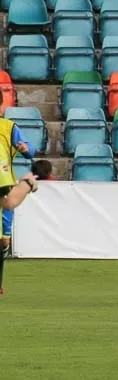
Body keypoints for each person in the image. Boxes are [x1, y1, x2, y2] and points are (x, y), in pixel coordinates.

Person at [0, 95, 37, 296]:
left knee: (4, 241)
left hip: (4, 185)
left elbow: (30, 150)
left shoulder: (9, 128)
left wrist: (25, 148)